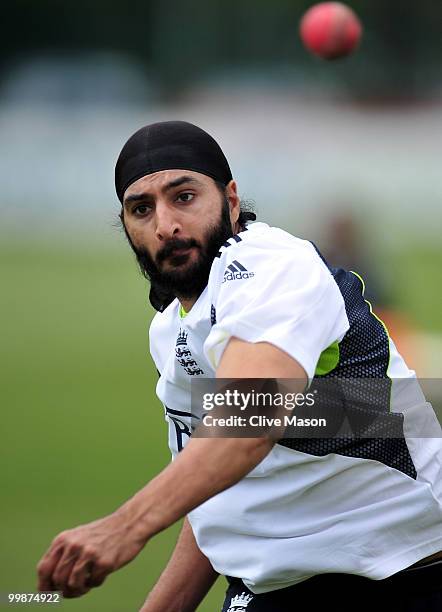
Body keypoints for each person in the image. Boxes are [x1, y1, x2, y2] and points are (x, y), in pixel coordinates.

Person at [37, 121, 442, 612]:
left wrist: (125, 526)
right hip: (267, 588)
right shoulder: (171, 329)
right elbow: (215, 487)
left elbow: (249, 423)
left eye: (183, 196)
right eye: (141, 209)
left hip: (397, 576)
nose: (165, 225)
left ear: (231, 200)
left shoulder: (274, 267)